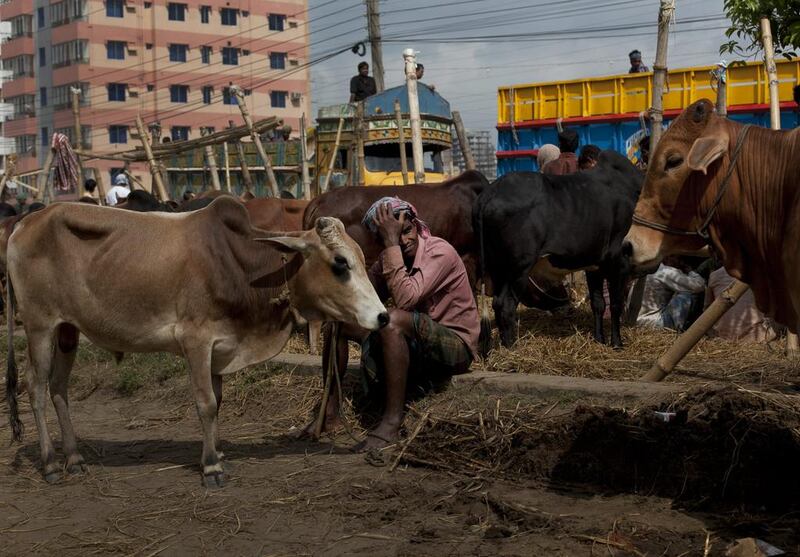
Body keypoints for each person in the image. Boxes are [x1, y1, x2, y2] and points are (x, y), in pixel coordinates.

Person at [315, 197, 479, 450]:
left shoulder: (439, 251)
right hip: (415, 344)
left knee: (392, 320)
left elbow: (406, 299)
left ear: (417, 225)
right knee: (339, 321)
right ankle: (329, 413)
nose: (403, 240)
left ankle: (392, 421)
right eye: (392, 236)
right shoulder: (390, 257)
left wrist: (390, 242)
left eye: (406, 231)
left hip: (454, 345)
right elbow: (364, 297)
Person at [706, 266, 777, 343]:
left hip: (723, 337)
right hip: (756, 337)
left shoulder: (714, 275)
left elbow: (707, 309)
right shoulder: (762, 273)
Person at [637, 256, 705, 331]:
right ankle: (682, 330)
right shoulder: (666, 271)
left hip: (636, 322)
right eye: (677, 258)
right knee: (687, 294)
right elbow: (699, 286)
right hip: (655, 323)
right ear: (667, 257)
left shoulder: (644, 271)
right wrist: (689, 271)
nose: (679, 262)